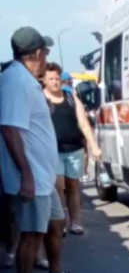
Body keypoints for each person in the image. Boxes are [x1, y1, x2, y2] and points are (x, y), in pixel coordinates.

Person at [0, 27, 87, 273]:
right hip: (32, 176)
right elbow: (10, 129)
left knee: (56, 223)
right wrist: (25, 174)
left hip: (42, 175)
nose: (47, 54)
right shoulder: (16, 82)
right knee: (31, 235)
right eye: (45, 50)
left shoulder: (25, 81)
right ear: (37, 52)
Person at [42, 63, 102, 235]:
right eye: (51, 79)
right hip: (53, 152)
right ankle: (60, 221)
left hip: (74, 150)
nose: (54, 82)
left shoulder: (70, 98)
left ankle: (75, 222)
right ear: (44, 80)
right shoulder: (40, 99)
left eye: (57, 78)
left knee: (73, 186)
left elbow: (83, 123)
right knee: (58, 186)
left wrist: (94, 147)